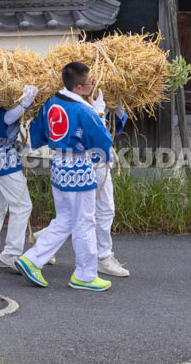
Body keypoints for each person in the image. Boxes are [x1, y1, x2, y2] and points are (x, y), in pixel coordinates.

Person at [14, 62, 122, 292]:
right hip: (79, 166)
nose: (93, 85)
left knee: (65, 219)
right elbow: (104, 140)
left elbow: (38, 130)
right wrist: (100, 113)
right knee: (84, 221)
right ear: (80, 87)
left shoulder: (52, 100)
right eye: (91, 82)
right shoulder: (84, 110)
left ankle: (32, 259)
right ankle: (84, 275)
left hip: (58, 164)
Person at [0, 85, 39, 271]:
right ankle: (11, 253)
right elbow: (7, 117)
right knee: (22, 204)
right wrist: (25, 103)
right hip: (4, 161)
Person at [90, 89, 129, 277]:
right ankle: (103, 257)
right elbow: (100, 133)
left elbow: (114, 127)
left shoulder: (79, 95)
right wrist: (99, 113)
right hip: (94, 160)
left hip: (89, 161)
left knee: (79, 213)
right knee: (105, 209)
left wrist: (119, 106)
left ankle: (44, 242)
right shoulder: (81, 99)